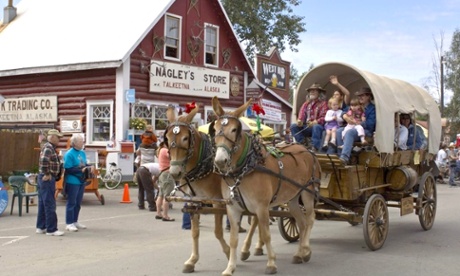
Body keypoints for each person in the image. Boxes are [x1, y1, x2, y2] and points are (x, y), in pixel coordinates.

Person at [63, 134, 95, 232]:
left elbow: (84, 164)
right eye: (81, 141)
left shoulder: (82, 153)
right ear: (75, 143)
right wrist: (81, 170)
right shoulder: (69, 154)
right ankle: (69, 223)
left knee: (78, 202)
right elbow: (68, 169)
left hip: (81, 180)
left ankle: (75, 220)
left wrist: (90, 166)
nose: (83, 143)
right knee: (71, 202)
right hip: (72, 181)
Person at [36, 129, 65, 236]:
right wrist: (47, 173)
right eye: (58, 137)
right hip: (47, 179)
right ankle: (51, 229)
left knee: (43, 203)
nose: (59, 140)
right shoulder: (49, 147)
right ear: (52, 137)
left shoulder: (49, 147)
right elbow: (44, 161)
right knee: (50, 204)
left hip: (43, 178)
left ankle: (41, 226)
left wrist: (57, 158)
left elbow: (47, 160)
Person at [336, 87, 376, 164]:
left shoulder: (372, 108)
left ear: (368, 96)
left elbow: (371, 124)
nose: (360, 97)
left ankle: (344, 158)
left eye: (362, 95)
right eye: (359, 96)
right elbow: (345, 111)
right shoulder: (357, 105)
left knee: (350, 132)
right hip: (353, 127)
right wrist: (344, 116)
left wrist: (357, 123)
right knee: (339, 131)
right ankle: (339, 155)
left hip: (366, 131)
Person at [290, 83, 328, 152]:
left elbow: (324, 117)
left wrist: (315, 122)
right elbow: (301, 114)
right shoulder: (306, 104)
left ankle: (315, 147)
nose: (312, 92)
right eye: (311, 91)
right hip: (307, 127)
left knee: (316, 126)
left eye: (314, 90)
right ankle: (302, 144)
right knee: (293, 126)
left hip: (319, 128)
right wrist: (300, 121)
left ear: (319, 93)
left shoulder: (323, 103)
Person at [155, 142, 175, 222]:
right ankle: (165, 215)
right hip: (167, 174)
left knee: (161, 195)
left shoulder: (160, 150)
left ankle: (158, 213)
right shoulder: (165, 150)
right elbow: (172, 157)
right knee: (167, 196)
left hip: (162, 174)